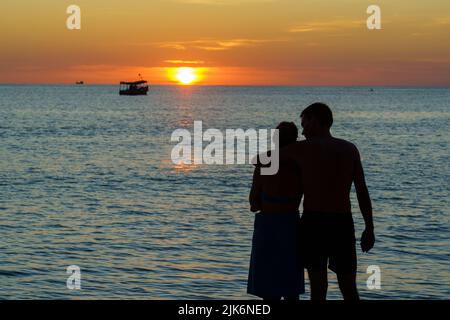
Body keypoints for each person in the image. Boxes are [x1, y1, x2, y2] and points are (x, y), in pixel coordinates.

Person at [282, 102, 375, 300]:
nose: (303, 131)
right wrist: (369, 227)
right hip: (342, 222)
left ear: (315, 121)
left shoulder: (303, 149)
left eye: (305, 124)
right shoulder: (350, 149)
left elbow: (263, 159)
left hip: (314, 222)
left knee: (318, 289)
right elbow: (361, 191)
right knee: (349, 289)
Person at [247, 122, 305, 300]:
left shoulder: (264, 163)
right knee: (291, 289)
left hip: (268, 225)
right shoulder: (300, 164)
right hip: (291, 224)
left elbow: (253, 204)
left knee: (268, 288)